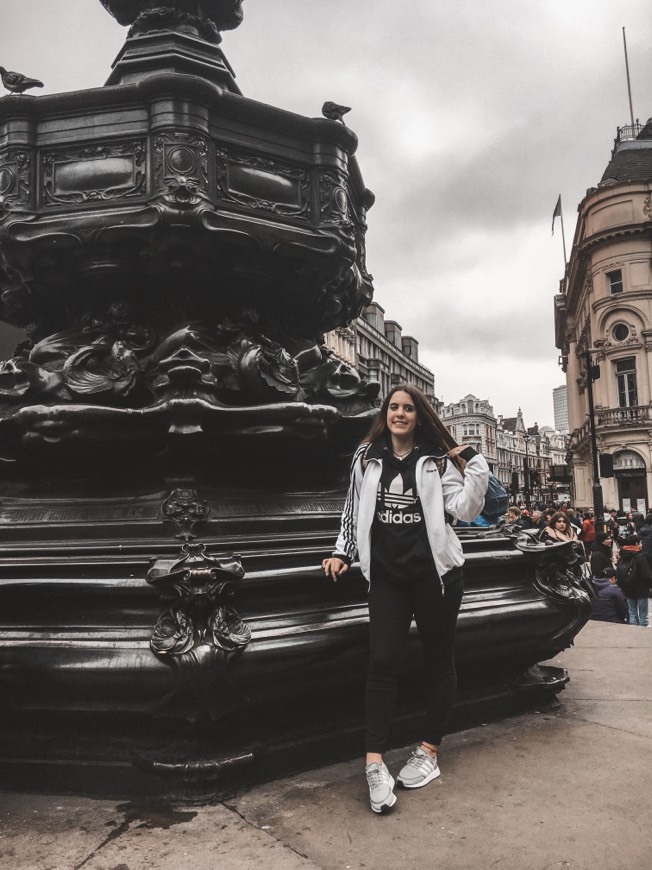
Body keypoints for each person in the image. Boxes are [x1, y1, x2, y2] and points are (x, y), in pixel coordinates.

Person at [322, 384, 489, 814]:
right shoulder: (366, 456)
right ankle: (374, 764)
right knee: (382, 661)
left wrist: (474, 464)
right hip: (388, 577)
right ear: (386, 414)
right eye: (394, 407)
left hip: (436, 577)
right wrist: (343, 551)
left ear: (419, 416)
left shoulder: (436, 459)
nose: (400, 414)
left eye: (408, 408)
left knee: (440, 660)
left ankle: (429, 751)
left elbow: (466, 510)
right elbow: (352, 506)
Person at [616, 534, 652, 627]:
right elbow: (646, 575)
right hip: (641, 589)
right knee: (643, 614)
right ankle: (642, 632)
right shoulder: (640, 557)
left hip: (627, 588)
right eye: (640, 543)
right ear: (636, 543)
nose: (642, 545)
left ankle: (633, 630)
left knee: (632, 613)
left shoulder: (623, 554)